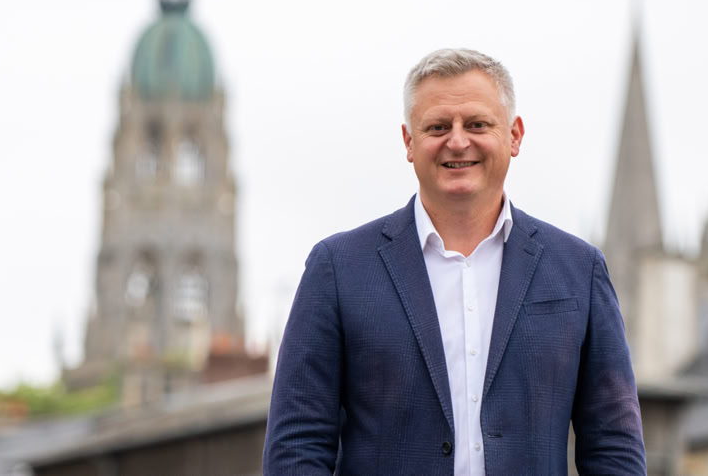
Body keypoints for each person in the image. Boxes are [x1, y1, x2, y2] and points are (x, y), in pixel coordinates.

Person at [263, 48, 646, 475]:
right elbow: (297, 447)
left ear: (515, 135)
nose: (458, 141)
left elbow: (614, 446)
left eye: (478, 124)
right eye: (438, 126)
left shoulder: (579, 270)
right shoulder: (337, 269)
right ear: (409, 142)